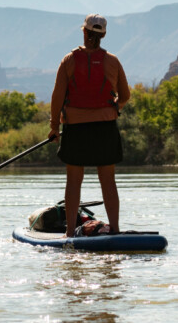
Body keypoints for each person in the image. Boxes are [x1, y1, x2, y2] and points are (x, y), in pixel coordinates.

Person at [48, 14, 131, 237]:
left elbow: (57, 97)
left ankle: (69, 234)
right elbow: (125, 95)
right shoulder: (112, 61)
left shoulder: (69, 60)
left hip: (75, 129)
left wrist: (54, 127)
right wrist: (115, 107)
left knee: (74, 181)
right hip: (105, 128)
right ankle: (115, 229)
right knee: (108, 182)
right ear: (103, 35)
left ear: (84, 32)